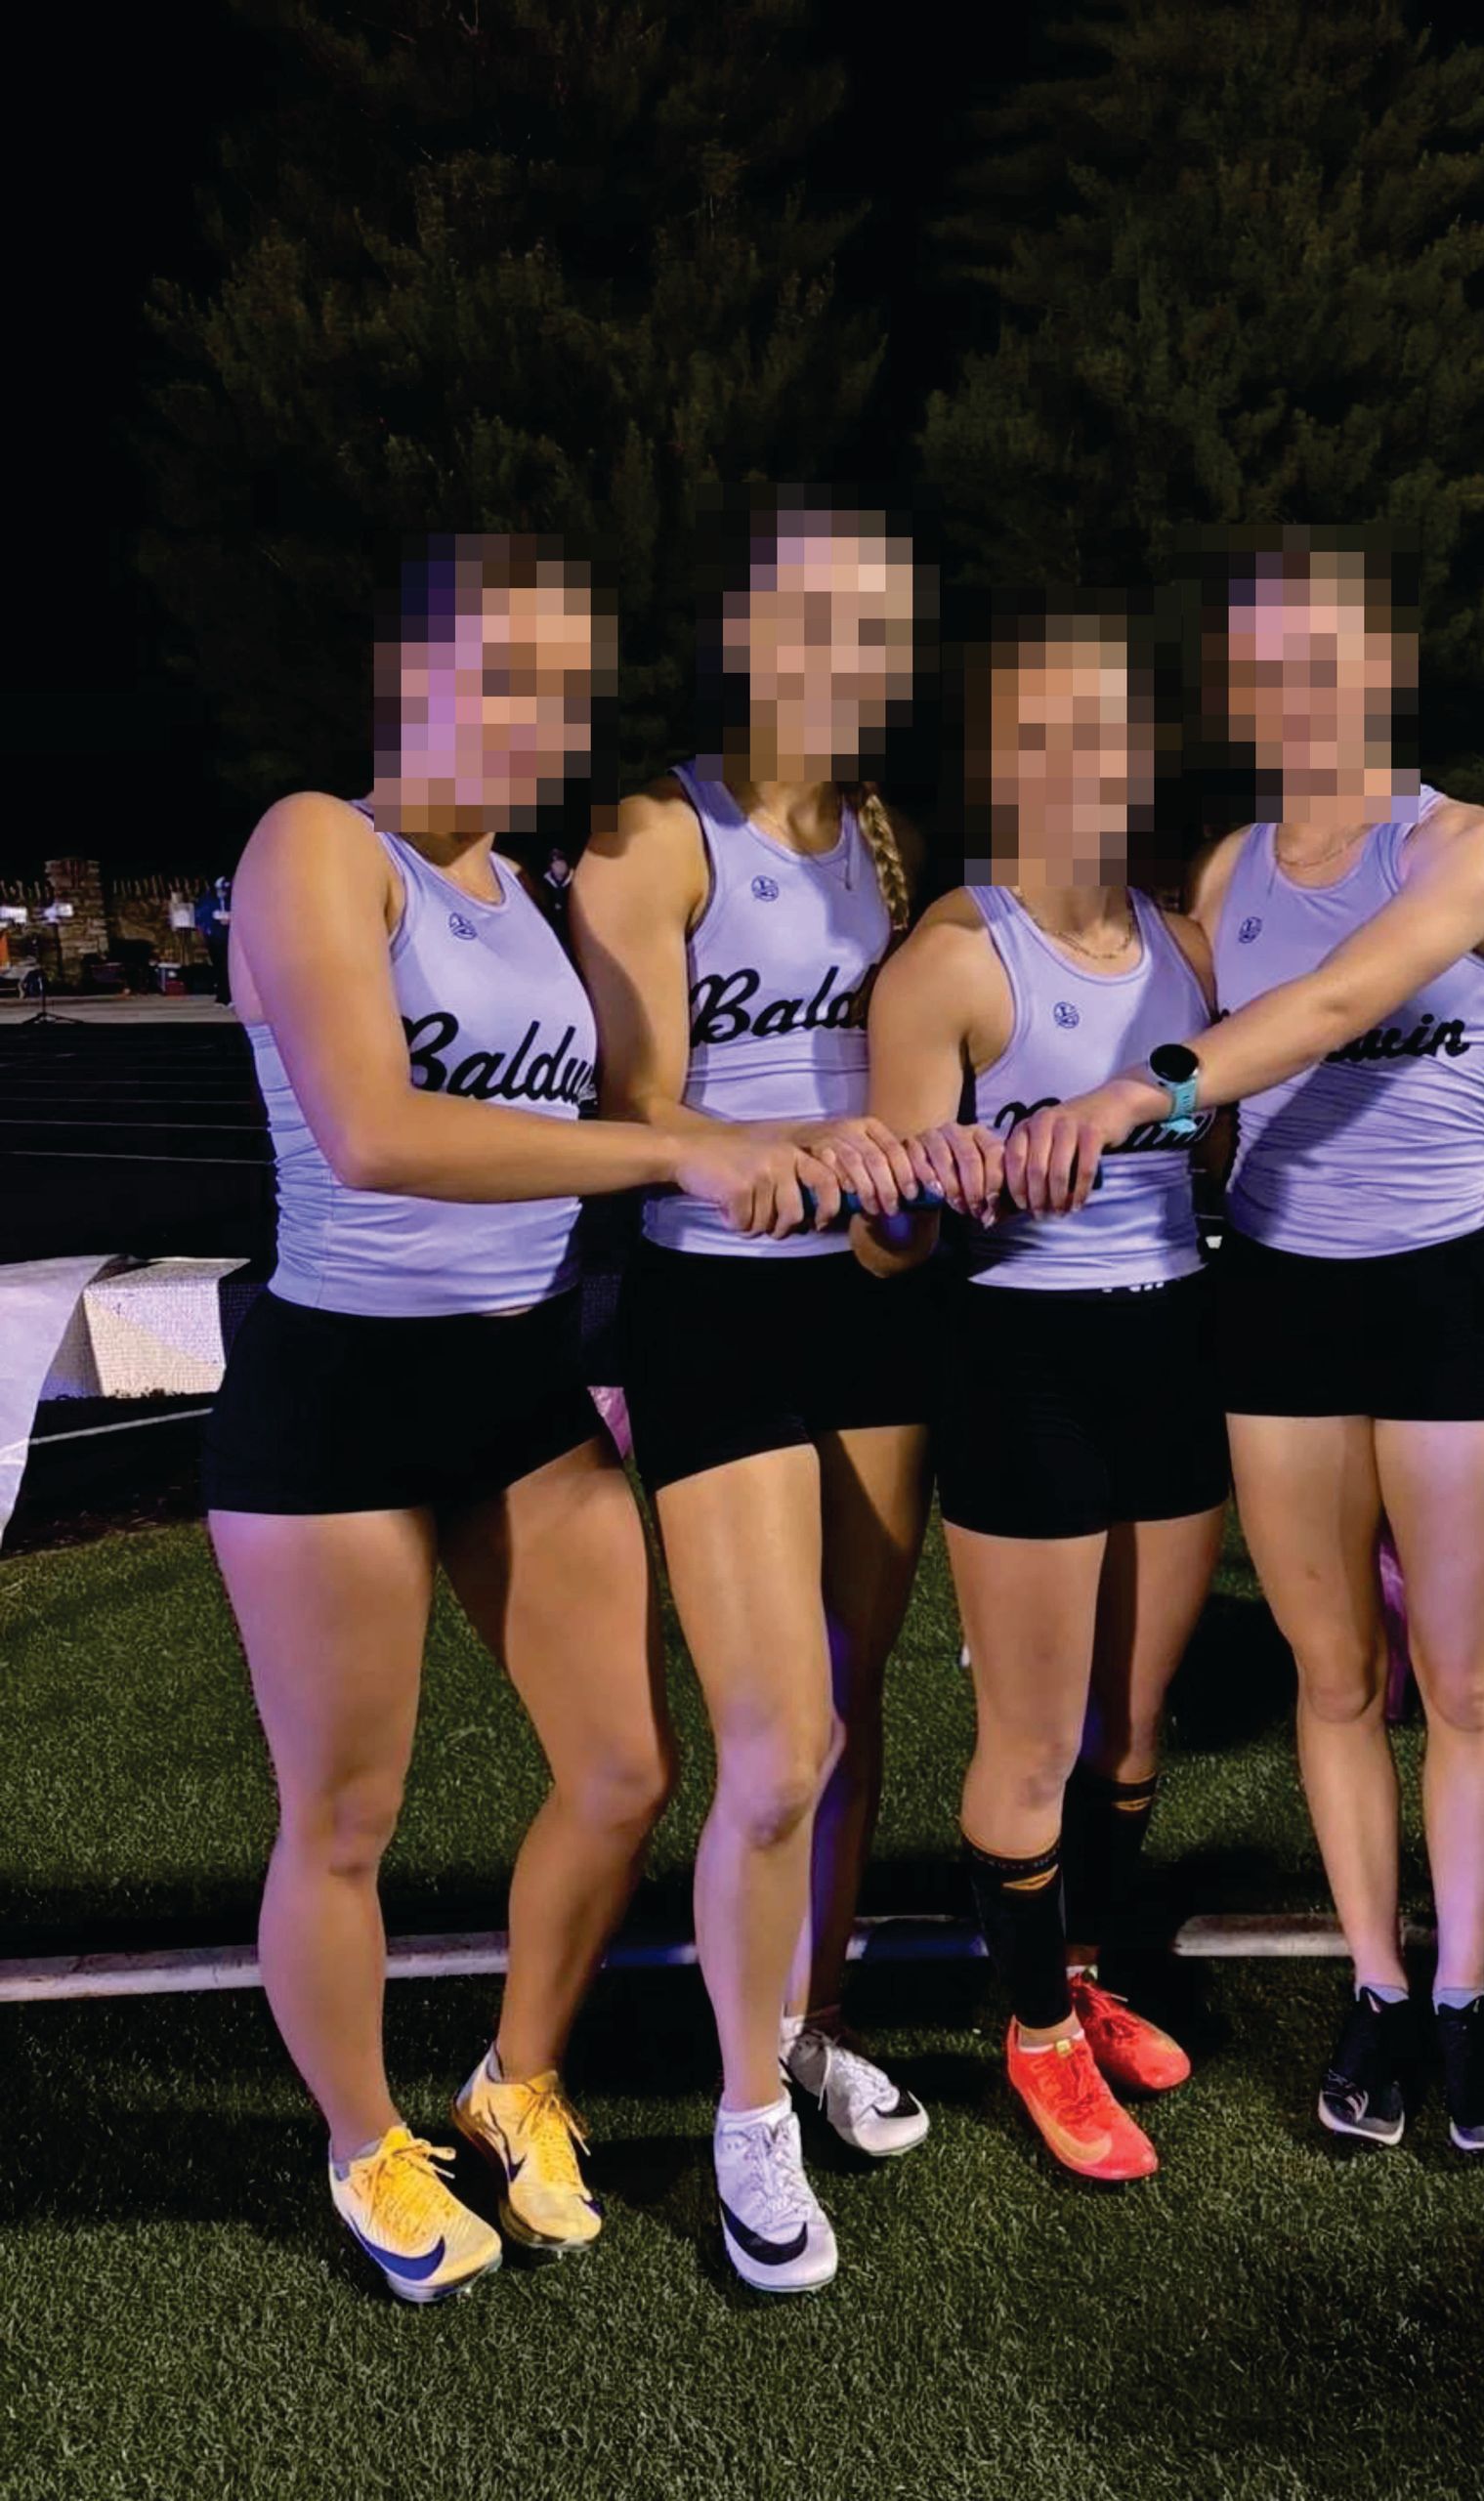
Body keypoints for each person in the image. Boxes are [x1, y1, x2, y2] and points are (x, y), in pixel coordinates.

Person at [203, 532, 836, 2305]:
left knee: (625, 1770)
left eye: (566, 684)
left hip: (521, 1387)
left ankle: (515, 2076)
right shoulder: (318, 844)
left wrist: (801, 1146)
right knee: (344, 1820)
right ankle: (363, 2142)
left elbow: (637, 1098)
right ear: (410, 669)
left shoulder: (519, 891)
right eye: (505, 669)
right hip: (336, 1395)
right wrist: (669, 1155)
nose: (539, 713)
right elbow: (376, 1133)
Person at [1003, 530, 1484, 2156]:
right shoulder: (1231, 874)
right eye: (1263, 662)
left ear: (1383, 668)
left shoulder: (1475, 843)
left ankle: (1467, 1995)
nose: (1293, 687)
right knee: (1334, 1675)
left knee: (1464, 1680)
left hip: (1451, 1304)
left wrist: (1136, 1094)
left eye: (1324, 654)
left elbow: (1325, 1011)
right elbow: (1219, 1097)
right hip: (1283, 1308)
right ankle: (1378, 1986)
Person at [571, 491, 936, 2294]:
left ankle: (809, 2025)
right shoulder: (657, 834)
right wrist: (788, 1155)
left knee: (852, 1713)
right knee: (777, 1745)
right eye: (817, 620)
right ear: (747, 635)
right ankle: (741, 2120)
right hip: (714, 1310)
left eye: (880, 626)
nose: (848, 658)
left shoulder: (881, 836)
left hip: (868, 1309)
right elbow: (631, 1114)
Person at [858, 600, 1228, 2183]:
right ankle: (1032, 2031)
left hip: (1177, 1342)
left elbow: (1230, 1132)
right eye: (1043, 731)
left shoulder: (1186, 947)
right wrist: (926, 1188)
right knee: (1029, 1738)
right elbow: (881, 1244)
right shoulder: (953, 958)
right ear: (999, 755)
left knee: (1132, 1729)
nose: (1081, 760)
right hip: (1024, 1358)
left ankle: (1077, 1974)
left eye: (1107, 729)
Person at [195, 875, 233, 1003]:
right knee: (219, 967)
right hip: (215, 938)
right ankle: (222, 994)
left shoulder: (232, 899)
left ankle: (228, 995)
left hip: (229, 938)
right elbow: (201, 916)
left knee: (228, 967)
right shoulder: (208, 900)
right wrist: (209, 927)